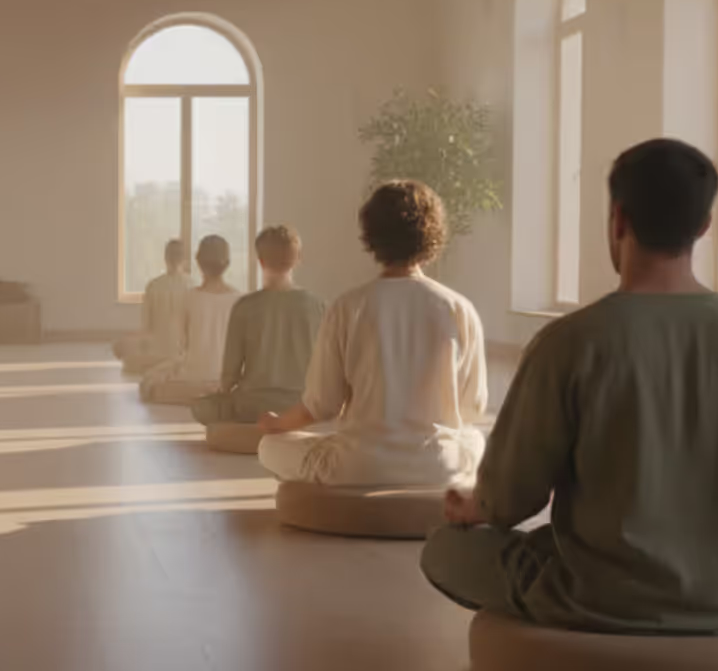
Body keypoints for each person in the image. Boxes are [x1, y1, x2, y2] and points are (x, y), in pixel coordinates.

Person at [422, 140, 718, 634]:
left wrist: (471, 505)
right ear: (703, 226)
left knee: (447, 548)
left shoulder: (569, 343)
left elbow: (512, 498)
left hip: (595, 595)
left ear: (619, 219)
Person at [257, 181, 487, 488]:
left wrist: (277, 424)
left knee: (269, 447)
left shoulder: (347, 306)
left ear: (371, 236)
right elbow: (473, 407)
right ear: (432, 235)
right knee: (475, 439)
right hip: (438, 468)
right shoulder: (460, 308)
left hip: (357, 467)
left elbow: (321, 405)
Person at [191, 225, 326, 426]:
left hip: (252, 407)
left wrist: (220, 390)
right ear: (298, 260)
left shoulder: (245, 306)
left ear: (261, 261)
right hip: (301, 408)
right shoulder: (318, 306)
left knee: (201, 406)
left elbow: (230, 376)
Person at [139, 235, 243, 403]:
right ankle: (215, 393)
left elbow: (179, 346)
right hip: (227, 379)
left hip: (192, 377)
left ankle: (200, 394)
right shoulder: (240, 299)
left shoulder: (189, 297)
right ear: (227, 263)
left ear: (198, 262)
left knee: (149, 382)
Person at [114, 239, 191, 371]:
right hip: (182, 352)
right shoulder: (193, 285)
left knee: (121, 348)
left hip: (157, 350)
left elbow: (146, 326)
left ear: (165, 258)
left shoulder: (153, 285)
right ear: (184, 259)